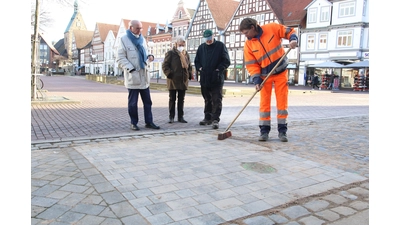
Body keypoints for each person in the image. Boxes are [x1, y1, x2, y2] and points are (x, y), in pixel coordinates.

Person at [239, 18, 298, 142]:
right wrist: (256, 80)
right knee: (264, 104)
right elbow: (252, 64)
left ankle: (282, 131)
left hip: (281, 72)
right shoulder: (249, 45)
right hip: (264, 77)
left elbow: (289, 31)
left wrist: (293, 39)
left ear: (253, 28)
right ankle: (264, 131)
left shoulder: (271, 28)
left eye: (246, 33)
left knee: (282, 103)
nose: (245, 36)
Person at [116, 19, 160, 131]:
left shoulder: (142, 40)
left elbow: (146, 52)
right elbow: (120, 58)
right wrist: (131, 69)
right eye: (137, 28)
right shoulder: (123, 40)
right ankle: (133, 123)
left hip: (144, 77)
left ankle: (149, 122)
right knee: (133, 103)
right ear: (131, 28)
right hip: (133, 77)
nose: (140, 30)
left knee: (148, 102)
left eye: (141, 28)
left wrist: (150, 57)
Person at [194, 29, 230, 129]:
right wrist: (200, 68)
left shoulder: (220, 46)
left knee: (216, 99)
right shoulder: (201, 48)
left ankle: (215, 119)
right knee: (207, 99)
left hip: (216, 78)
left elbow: (226, 61)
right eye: (206, 39)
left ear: (213, 36)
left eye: (210, 39)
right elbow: (196, 61)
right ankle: (207, 117)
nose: (208, 41)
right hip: (205, 77)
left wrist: (219, 69)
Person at [162, 36, 193, 123]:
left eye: (183, 45)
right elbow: (165, 66)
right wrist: (170, 74)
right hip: (173, 80)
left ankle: (180, 117)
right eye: (180, 45)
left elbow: (189, 66)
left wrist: (189, 74)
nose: (181, 46)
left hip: (183, 80)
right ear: (176, 44)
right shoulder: (170, 53)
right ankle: (171, 117)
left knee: (181, 99)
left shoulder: (186, 54)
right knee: (172, 99)